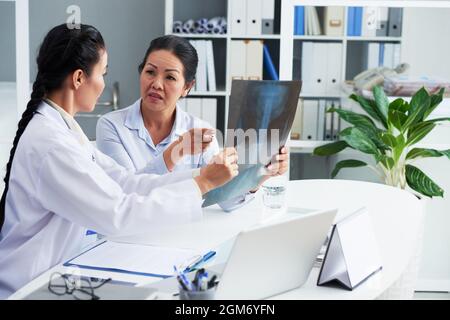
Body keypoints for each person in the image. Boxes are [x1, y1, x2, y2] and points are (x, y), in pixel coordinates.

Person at [0, 24, 238, 299]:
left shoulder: (63, 130)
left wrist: (201, 177)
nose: (103, 84)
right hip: (27, 288)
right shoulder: (52, 144)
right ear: (79, 78)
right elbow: (117, 214)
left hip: (53, 275)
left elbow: (125, 182)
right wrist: (202, 183)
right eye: (103, 73)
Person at [96, 35, 289, 210]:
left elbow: (223, 199)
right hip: (128, 238)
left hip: (182, 236)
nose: (156, 84)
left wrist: (262, 174)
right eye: (150, 72)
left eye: (170, 77)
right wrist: (176, 151)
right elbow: (126, 192)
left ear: (187, 87)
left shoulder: (199, 130)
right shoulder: (111, 125)